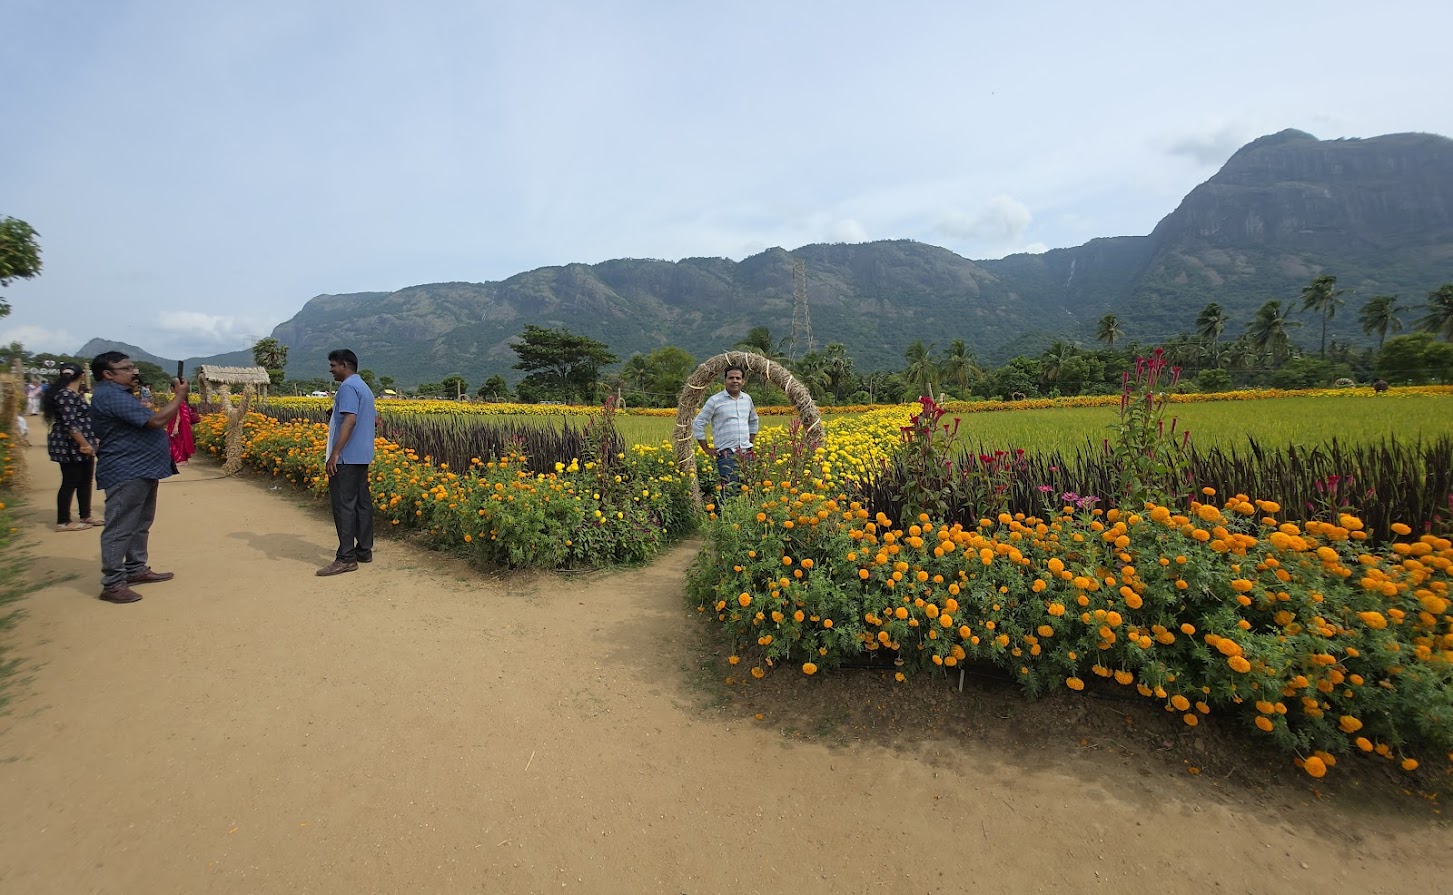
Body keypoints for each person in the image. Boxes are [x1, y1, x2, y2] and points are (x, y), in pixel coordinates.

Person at [89, 352, 189, 604]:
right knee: (121, 526)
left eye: (132, 366)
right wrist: (179, 396)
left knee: (140, 522)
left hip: (141, 468)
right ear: (108, 374)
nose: (133, 371)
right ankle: (112, 583)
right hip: (127, 469)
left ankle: (135, 568)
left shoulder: (118, 394)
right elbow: (155, 421)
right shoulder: (111, 395)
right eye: (126, 368)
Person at [317, 348, 376, 576]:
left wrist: (335, 454)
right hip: (361, 456)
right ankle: (364, 550)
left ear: (344, 365)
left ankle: (345, 558)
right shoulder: (363, 387)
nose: (331, 370)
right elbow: (360, 416)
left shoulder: (348, 387)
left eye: (333, 365)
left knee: (344, 506)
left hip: (347, 457)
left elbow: (350, 420)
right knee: (361, 503)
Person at [44, 362, 100, 532]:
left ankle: (85, 515)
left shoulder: (74, 394)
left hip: (82, 443)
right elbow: (70, 423)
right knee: (70, 481)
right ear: (82, 375)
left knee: (85, 479)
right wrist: (83, 443)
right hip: (70, 444)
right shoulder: (65, 395)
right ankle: (63, 521)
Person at [692, 364, 758, 494]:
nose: (735, 381)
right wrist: (706, 449)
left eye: (738, 378)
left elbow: (754, 420)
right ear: (725, 381)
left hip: (746, 454)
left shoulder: (747, 399)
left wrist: (750, 441)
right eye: (731, 378)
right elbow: (698, 423)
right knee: (729, 493)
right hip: (727, 455)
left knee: (747, 492)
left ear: (743, 381)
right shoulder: (715, 401)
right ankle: (725, 514)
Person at [167, 392, 201, 464]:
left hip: (178, 424)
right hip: (181, 425)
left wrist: (176, 426)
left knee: (177, 441)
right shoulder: (182, 400)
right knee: (180, 440)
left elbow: (179, 415)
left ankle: (181, 459)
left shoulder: (179, 401)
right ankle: (182, 459)